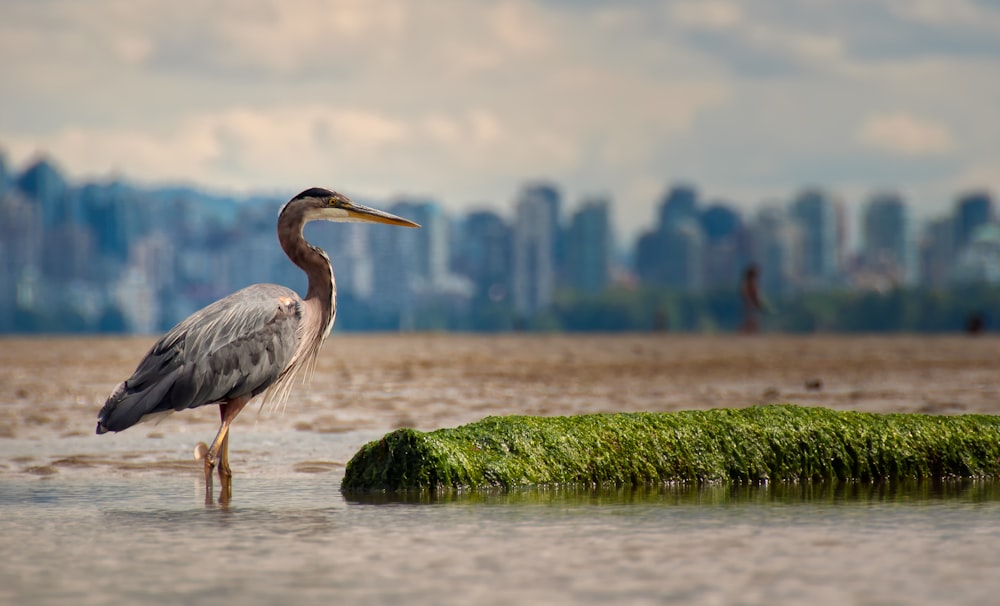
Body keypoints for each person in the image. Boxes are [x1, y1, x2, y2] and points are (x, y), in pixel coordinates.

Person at [740, 264, 763, 334]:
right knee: (750, 320)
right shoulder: (748, 283)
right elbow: (746, 293)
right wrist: (750, 302)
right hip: (750, 305)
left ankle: (751, 333)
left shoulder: (750, 283)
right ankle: (747, 333)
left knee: (752, 320)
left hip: (752, 305)